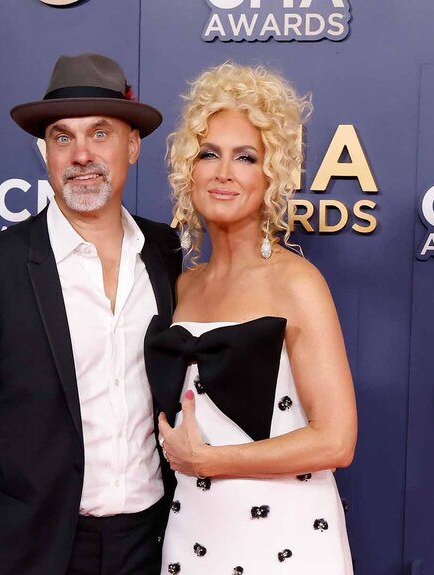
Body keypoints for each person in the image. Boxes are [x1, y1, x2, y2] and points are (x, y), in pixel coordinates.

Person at [0, 53, 182, 575]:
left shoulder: (164, 250)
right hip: (32, 548)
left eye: (100, 134)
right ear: (46, 154)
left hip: (154, 541)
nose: (81, 154)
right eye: (63, 138)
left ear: (133, 146)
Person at [144, 62, 357, 574]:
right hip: (191, 533)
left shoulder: (296, 283)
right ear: (187, 169)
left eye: (245, 157)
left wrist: (209, 463)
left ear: (272, 173)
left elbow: (336, 440)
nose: (223, 173)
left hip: (287, 540)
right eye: (209, 154)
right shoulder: (181, 286)